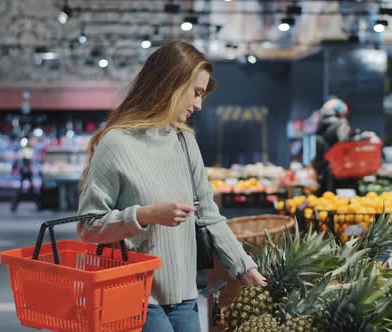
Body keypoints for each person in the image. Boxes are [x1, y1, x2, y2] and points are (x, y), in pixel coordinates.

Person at [77, 41, 266, 332]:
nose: (199, 104)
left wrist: (245, 267)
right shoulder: (115, 143)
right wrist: (144, 215)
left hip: (186, 299)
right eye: (196, 93)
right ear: (171, 84)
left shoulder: (184, 141)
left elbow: (209, 215)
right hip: (135, 296)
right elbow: (89, 226)